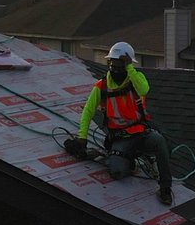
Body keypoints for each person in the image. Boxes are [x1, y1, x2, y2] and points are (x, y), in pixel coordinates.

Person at [68, 41, 173, 205]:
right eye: (113, 64)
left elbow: (144, 90)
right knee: (117, 172)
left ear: (127, 64)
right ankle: (128, 160)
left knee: (160, 142)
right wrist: (82, 136)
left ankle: (165, 187)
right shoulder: (102, 87)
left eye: (120, 65)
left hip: (140, 133)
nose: (116, 69)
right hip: (120, 138)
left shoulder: (136, 80)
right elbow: (88, 111)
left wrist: (129, 67)